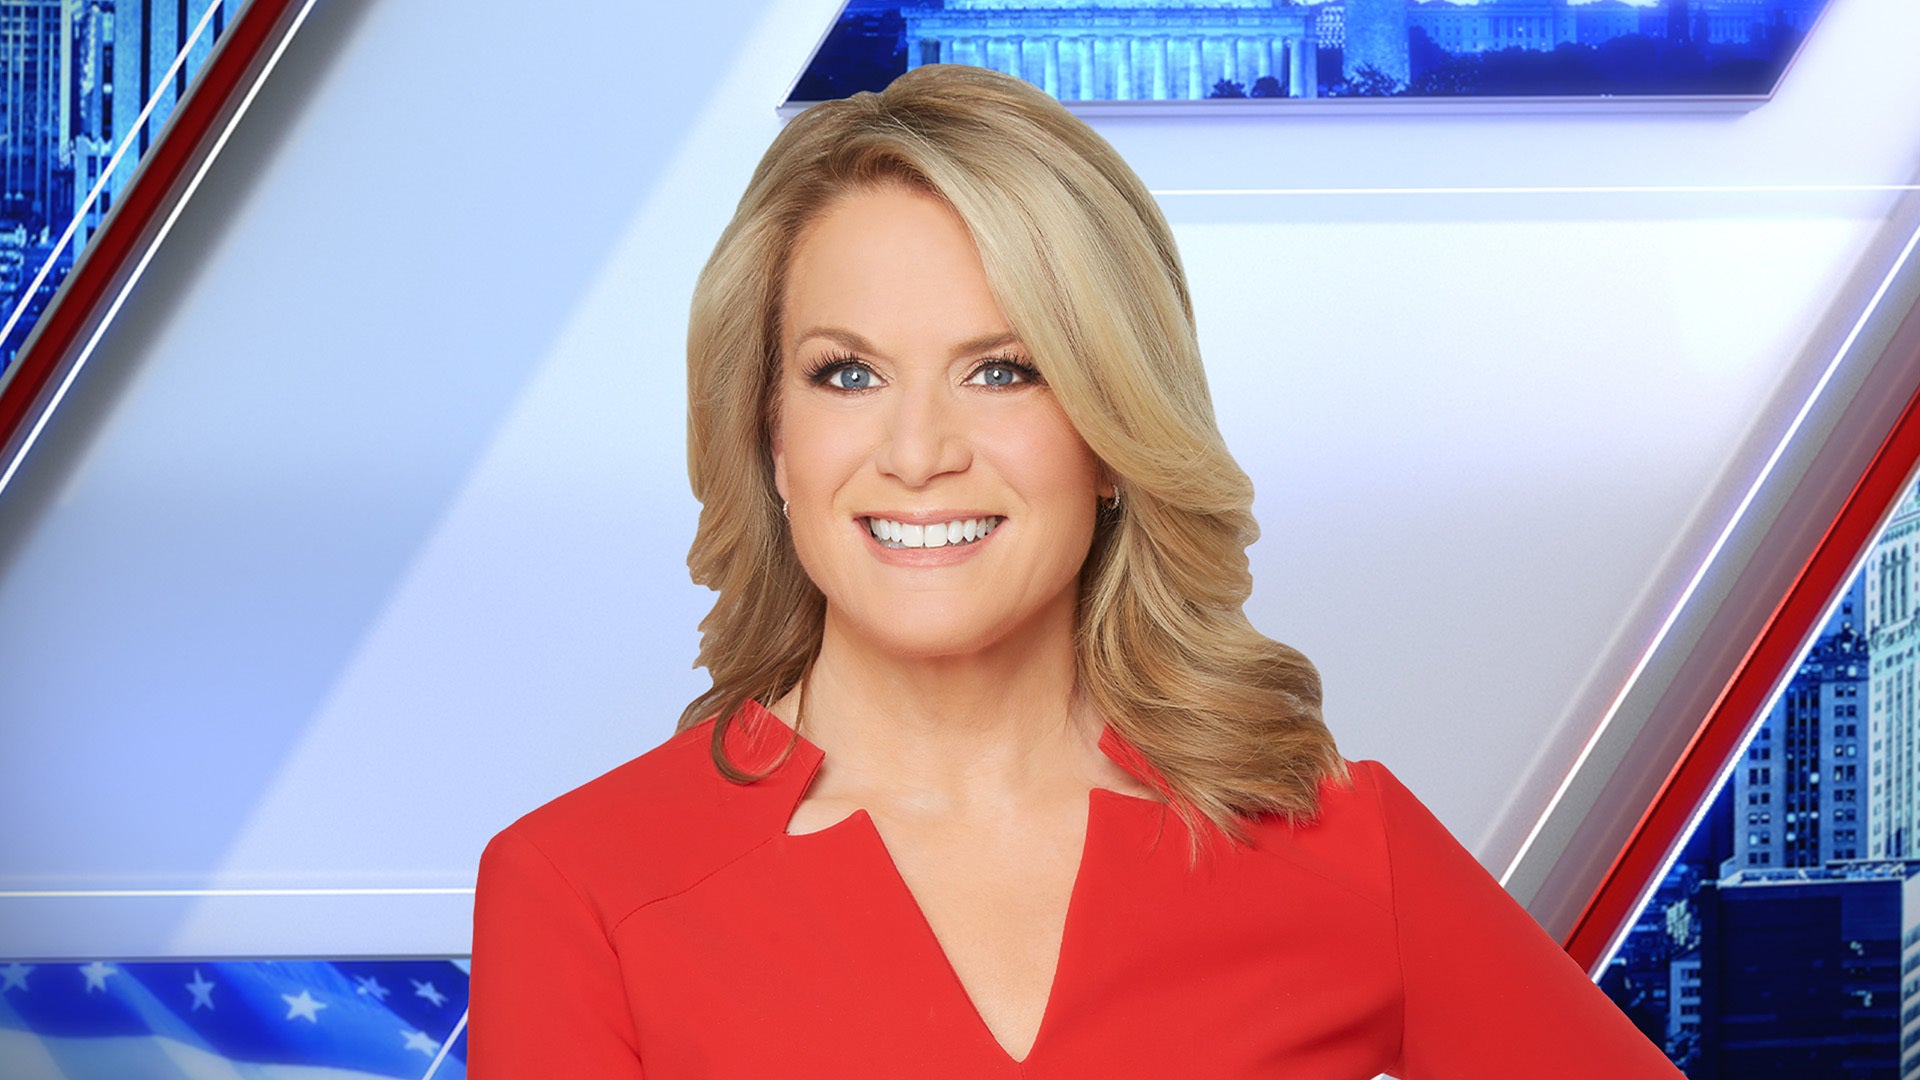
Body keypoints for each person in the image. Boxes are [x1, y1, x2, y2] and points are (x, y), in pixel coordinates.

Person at [470, 64, 1682, 1078]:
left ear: (1109, 434)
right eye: (849, 374)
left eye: (1004, 370)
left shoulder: (1334, 846)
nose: (918, 452)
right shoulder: (584, 892)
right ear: (770, 435)